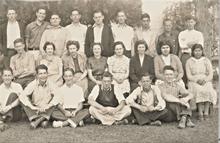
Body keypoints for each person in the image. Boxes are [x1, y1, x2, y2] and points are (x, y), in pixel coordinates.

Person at [19, 64, 59, 129]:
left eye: (44, 73)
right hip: (35, 109)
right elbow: (22, 96)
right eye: (40, 74)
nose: (43, 76)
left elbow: (58, 96)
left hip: (47, 108)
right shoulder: (33, 84)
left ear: (47, 74)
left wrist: (47, 106)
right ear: (37, 75)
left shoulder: (51, 84)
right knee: (22, 101)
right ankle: (43, 120)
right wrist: (32, 107)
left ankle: (37, 121)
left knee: (55, 103)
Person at [186, 44, 217, 120]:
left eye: (199, 50)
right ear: (193, 52)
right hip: (193, 81)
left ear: (202, 51)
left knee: (208, 89)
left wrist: (205, 80)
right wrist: (196, 80)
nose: (197, 52)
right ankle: (200, 112)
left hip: (205, 79)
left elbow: (210, 74)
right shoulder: (189, 61)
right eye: (195, 51)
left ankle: (206, 112)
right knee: (198, 90)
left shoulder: (206, 60)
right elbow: (188, 75)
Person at [178, 16, 204, 85]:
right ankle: (185, 89)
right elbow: (182, 46)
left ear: (194, 23)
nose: (189, 24)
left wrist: (189, 44)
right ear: (185, 23)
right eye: (188, 22)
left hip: (196, 55)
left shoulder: (199, 34)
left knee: (196, 72)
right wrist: (194, 43)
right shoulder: (182, 34)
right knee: (185, 72)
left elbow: (200, 46)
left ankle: (196, 87)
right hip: (186, 55)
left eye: (191, 22)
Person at [0, 67, 23, 132]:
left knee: (13, 95)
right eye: (5, 75)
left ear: (12, 76)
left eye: (9, 75)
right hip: (3, 112)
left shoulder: (17, 86)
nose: (7, 77)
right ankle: (3, 120)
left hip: (15, 113)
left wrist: (9, 107)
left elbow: (22, 99)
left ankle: (2, 120)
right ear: (2, 77)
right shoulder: (0, 88)